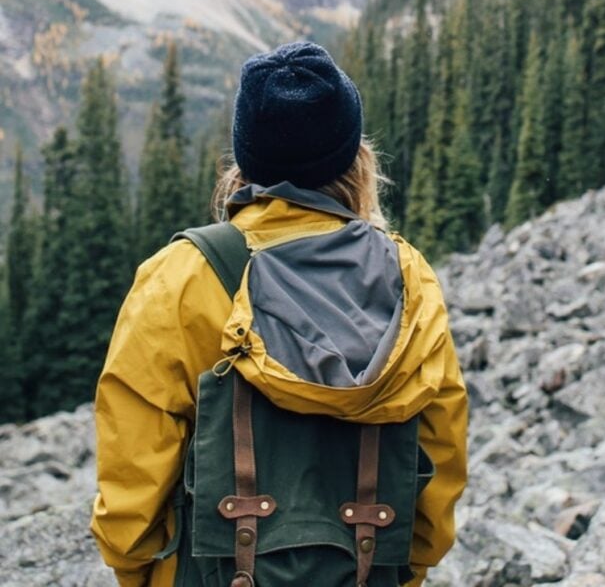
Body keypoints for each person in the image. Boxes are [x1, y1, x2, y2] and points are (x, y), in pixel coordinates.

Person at [91, 41, 468, 587]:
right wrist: (410, 567)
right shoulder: (409, 277)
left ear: (245, 159)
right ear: (354, 158)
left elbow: (134, 460)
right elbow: (439, 446)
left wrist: (137, 571)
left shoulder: (180, 275)